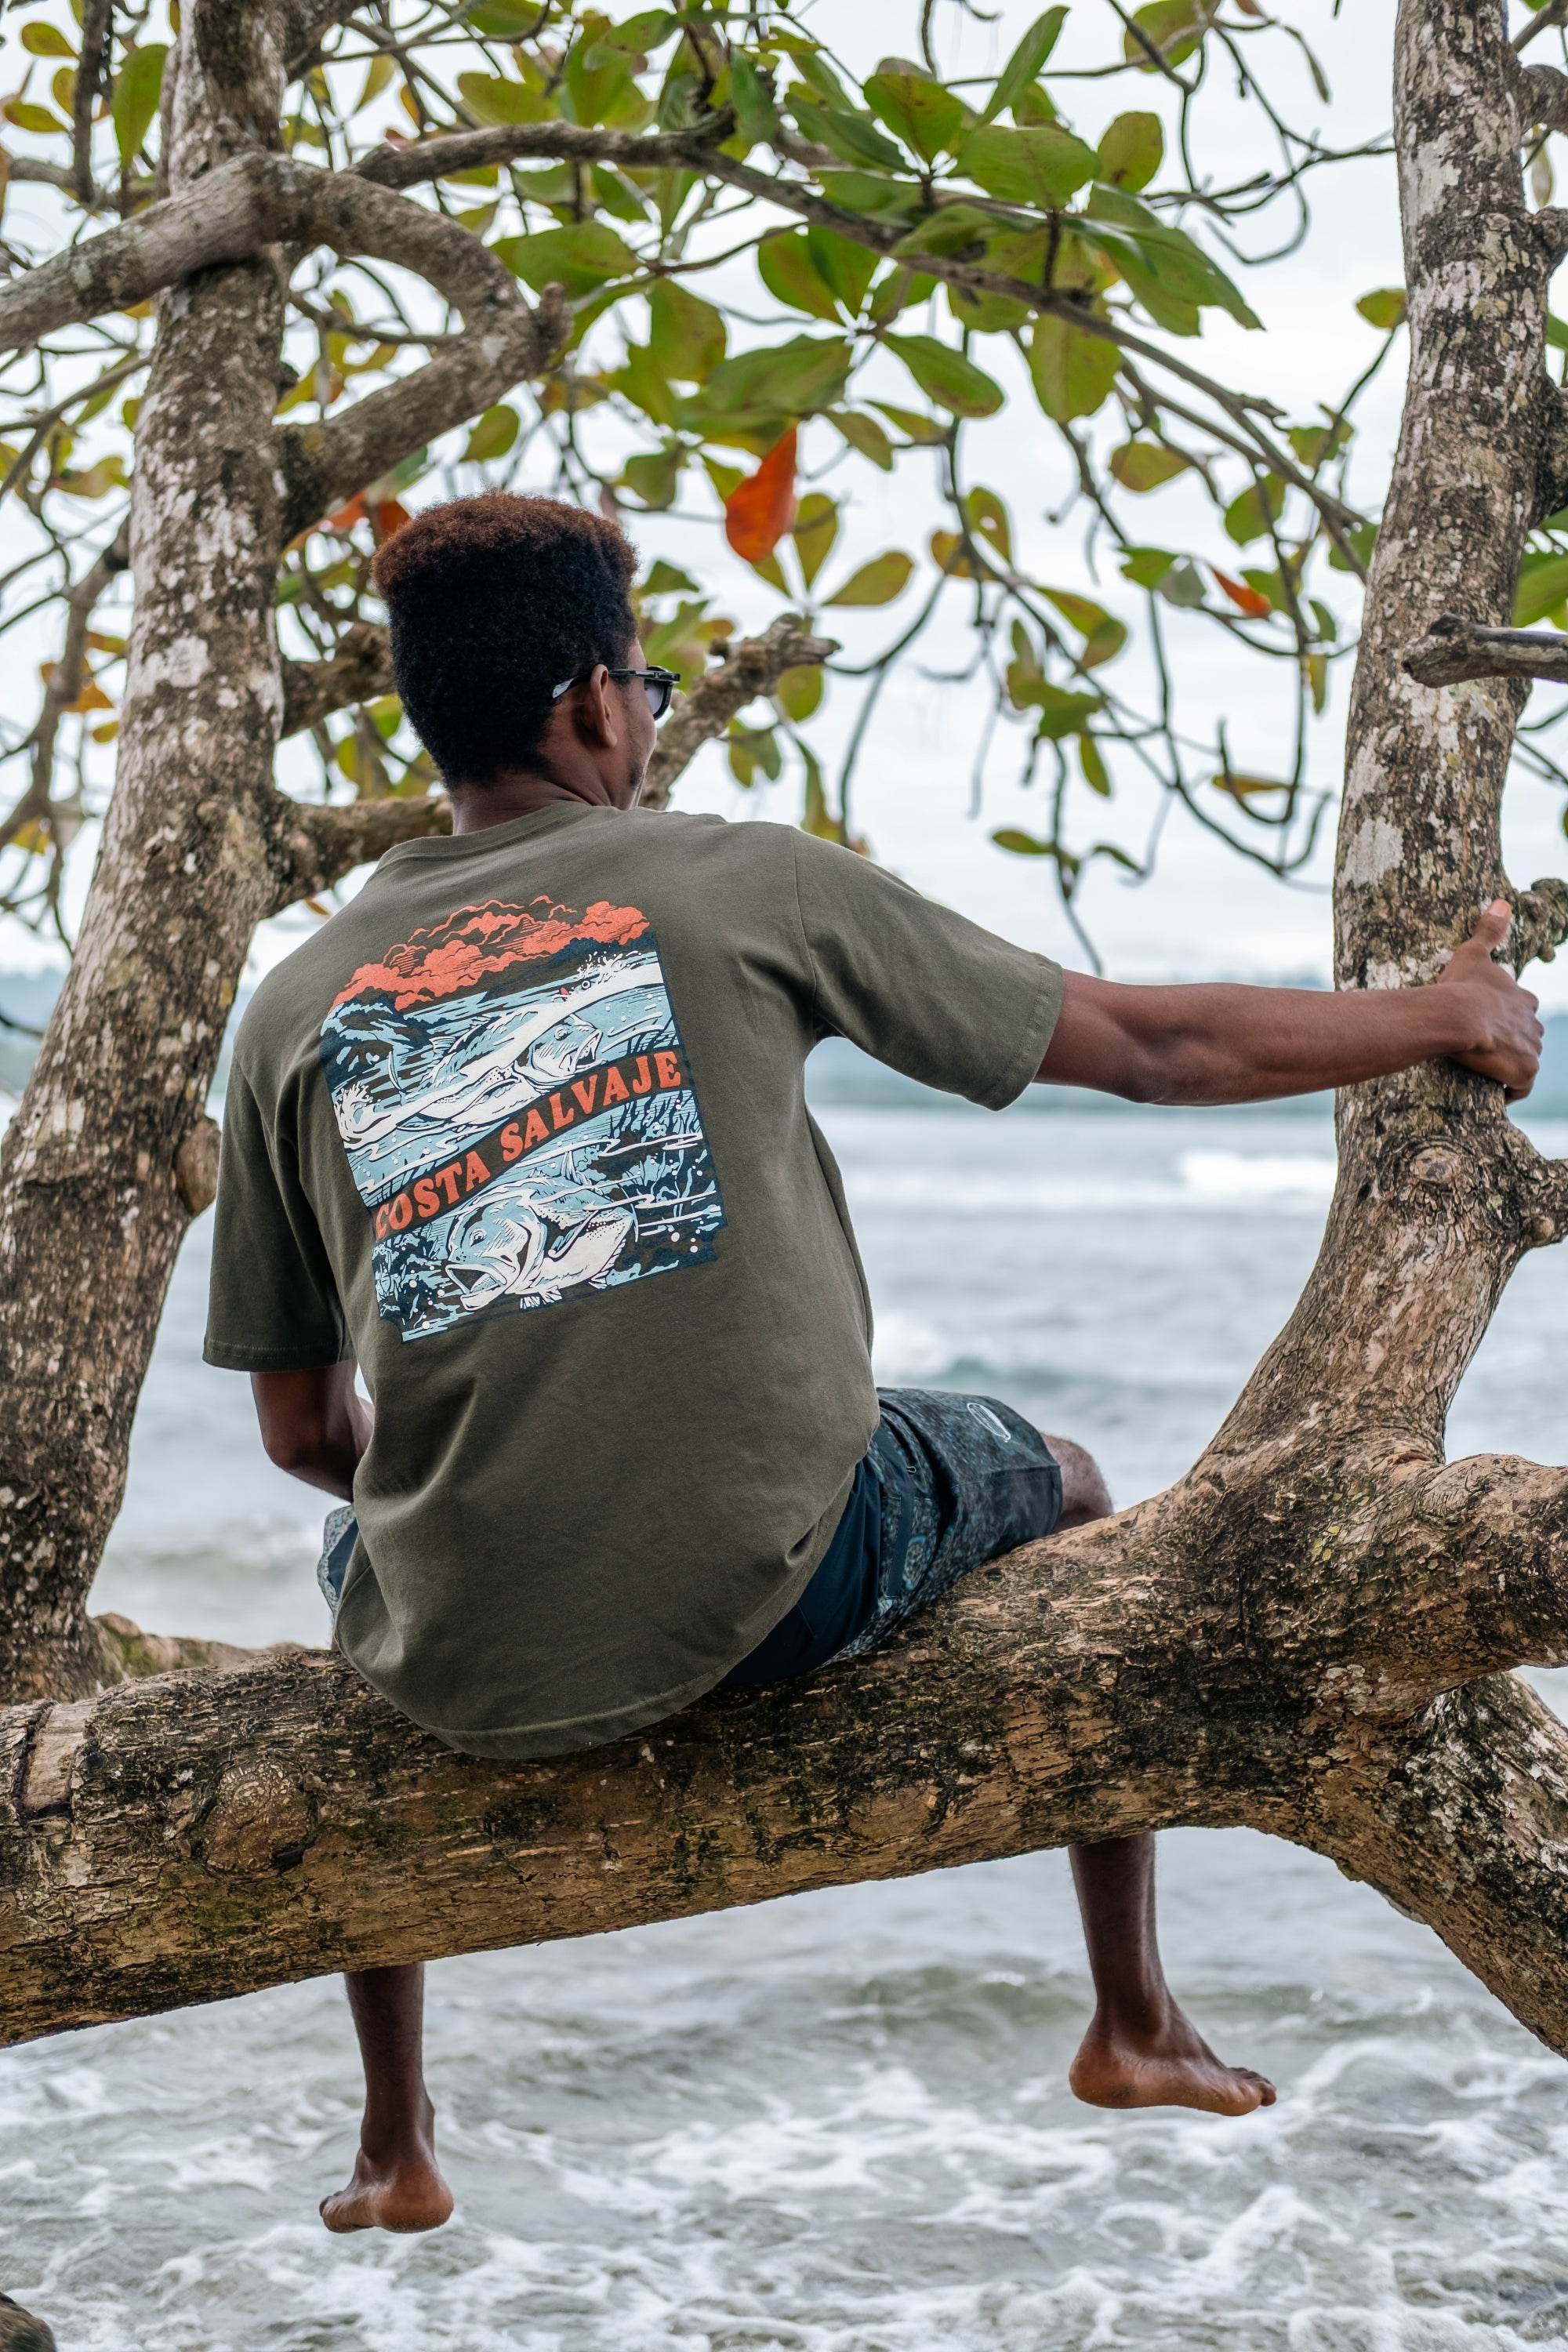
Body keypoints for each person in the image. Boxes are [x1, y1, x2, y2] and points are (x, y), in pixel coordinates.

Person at [205, 492, 1542, 2235]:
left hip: (458, 1652)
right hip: (785, 1590)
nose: (655, 722)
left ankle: (395, 2146)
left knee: (358, 1573)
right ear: (594, 705)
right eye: (649, 686)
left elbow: (306, 1431)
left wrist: (498, 1480)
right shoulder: (735, 880)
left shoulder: (294, 1000)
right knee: (1056, 1474)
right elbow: (1143, 1044)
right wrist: (1445, 1019)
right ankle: (1130, 2017)